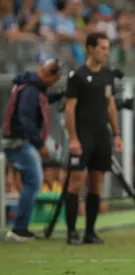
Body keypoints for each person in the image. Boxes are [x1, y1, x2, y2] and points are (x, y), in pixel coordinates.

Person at [64, 32, 123, 245]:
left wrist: (116, 133)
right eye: (102, 48)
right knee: (76, 182)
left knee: (96, 183)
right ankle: (71, 232)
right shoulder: (77, 76)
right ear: (90, 49)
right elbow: (69, 109)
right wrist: (73, 138)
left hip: (101, 137)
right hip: (82, 136)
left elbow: (110, 106)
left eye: (108, 48)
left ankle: (90, 232)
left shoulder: (108, 76)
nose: (106, 52)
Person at [2, 59, 63, 241]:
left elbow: (42, 101)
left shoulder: (31, 86)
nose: (53, 84)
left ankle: (20, 227)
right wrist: (39, 144)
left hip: (18, 141)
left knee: (31, 181)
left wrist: (60, 94)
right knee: (34, 181)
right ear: (47, 74)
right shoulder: (30, 89)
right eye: (55, 80)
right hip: (19, 142)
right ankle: (19, 229)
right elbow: (26, 119)